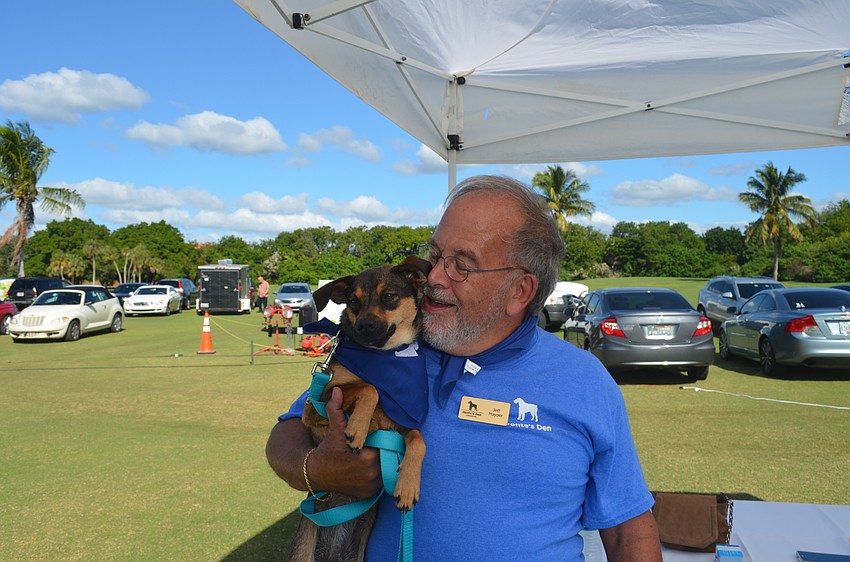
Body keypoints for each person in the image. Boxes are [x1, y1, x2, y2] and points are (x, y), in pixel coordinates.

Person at [266, 175, 662, 561]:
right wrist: (316, 468)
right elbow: (285, 435)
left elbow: (628, 530)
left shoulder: (585, 381)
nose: (433, 277)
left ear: (519, 291)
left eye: (461, 265)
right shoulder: (389, 352)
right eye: (436, 255)